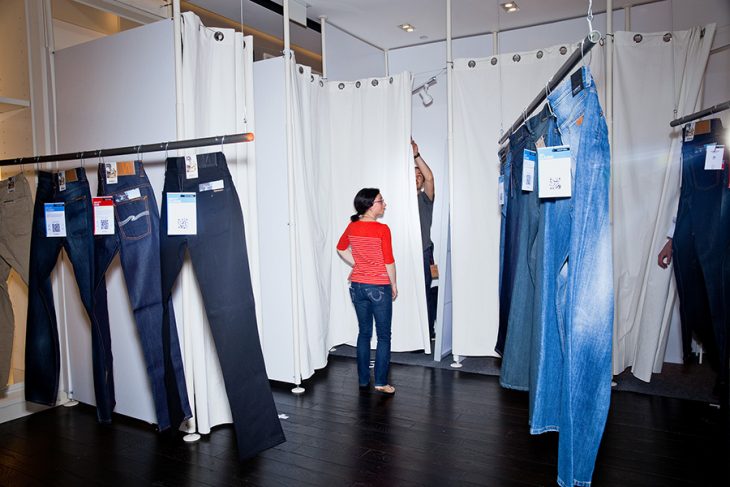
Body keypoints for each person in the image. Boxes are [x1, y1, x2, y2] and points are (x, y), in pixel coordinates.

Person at [337, 188, 398, 395]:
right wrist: (394, 284)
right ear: (370, 205)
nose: (384, 204)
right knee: (383, 336)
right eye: (381, 201)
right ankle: (380, 382)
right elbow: (389, 260)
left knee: (364, 333)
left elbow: (340, 248)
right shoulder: (382, 229)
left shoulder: (352, 226)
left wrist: (358, 264)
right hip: (378, 286)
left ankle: (364, 380)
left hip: (357, 287)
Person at [412, 139, 437, 340]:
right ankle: (411, 335)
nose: (418, 177)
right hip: (404, 253)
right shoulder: (397, 200)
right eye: (414, 174)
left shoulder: (424, 199)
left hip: (423, 252)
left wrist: (416, 156)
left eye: (419, 175)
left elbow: (430, 178)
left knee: (426, 293)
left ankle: (427, 334)